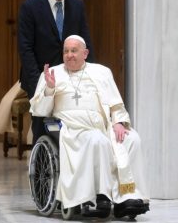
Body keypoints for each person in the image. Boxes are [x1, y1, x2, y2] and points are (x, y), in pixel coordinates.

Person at [30, 35, 150, 218]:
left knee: (132, 138)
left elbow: (115, 103)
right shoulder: (52, 73)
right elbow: (40, 110)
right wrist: (49, 89)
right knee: (97, 140)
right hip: (72, 130)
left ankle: (127, 198)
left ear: (85, 53)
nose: (69, 55)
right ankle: (101, 197)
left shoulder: (102, 72)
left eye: (74, 51)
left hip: (103, 126)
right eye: (66, 51)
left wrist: (118, 121)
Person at [18, 0, 94, 145]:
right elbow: (25, 48)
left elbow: (85, 42)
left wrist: (91, 73)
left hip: (70, 77)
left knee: (71, 125)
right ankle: (41, 169)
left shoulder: (76, 5)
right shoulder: (30, 6)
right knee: (42, 127)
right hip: (39, 76)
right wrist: (38, 83)